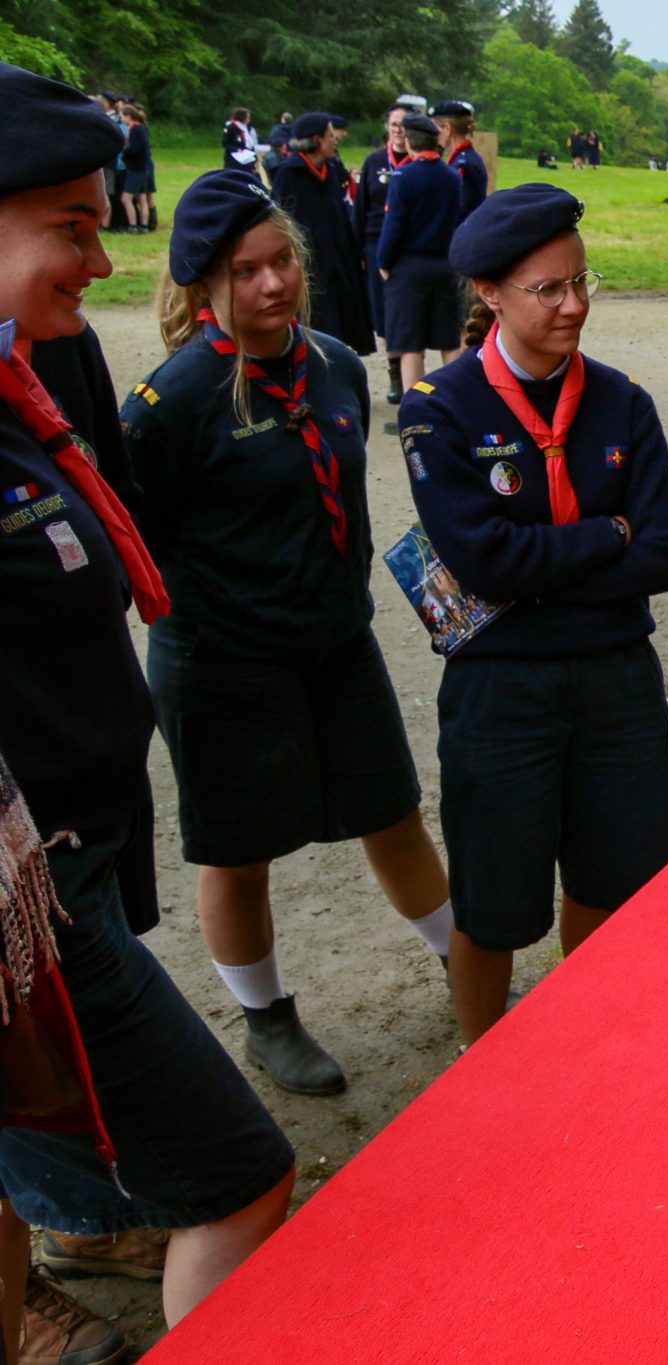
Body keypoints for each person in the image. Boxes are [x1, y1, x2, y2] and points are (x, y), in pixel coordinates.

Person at [0, 60, 295, 1348]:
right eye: (71, 227)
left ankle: (66, 1229)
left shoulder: (36, 364)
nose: (102, 263)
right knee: (239, 1177)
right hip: (29, 896)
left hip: (80, 831)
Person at [122, 169, 455, 1098]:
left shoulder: (337, 364)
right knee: (239, 851)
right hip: (224, 663)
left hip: (335, 641)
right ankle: (267, 1016)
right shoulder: (172, 405)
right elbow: (141, 554)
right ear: (203, 287)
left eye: (282, 264)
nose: (272, 285)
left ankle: (460, 956)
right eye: (246, 271)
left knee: (391, 811)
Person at [401, 184, 668, 1045]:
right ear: (489, 292)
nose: (575, 305)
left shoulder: (623, 403)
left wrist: (537, 567)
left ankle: (589, 1043)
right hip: (501, 688)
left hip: (615, 681)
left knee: (615, 881)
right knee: (494, 904)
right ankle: (478, 1066)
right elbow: (479, 561)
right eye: (548, 290)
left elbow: (662, 556)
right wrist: (607, 532)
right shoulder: (440, 410)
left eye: (580, 281)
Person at [377, 113, 465, 404]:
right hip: (445, 264)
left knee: (410, 344)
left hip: (409, 267)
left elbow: (394, 225)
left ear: (411, 142)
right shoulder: (452, 176)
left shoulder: (404, 177)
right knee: (449, 340)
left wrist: (383, 262)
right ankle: (457, 402)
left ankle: (416, 408)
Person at [271, 111, 376, 353]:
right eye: (330, 135)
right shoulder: (290, 174)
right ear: (317, 139)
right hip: (311, 267)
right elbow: (281, 221)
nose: (335, 139)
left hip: (339, 263)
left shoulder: (330, 170)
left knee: (340, 329)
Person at [356, 103, 417, 405]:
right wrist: (359, 250)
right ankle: (394, 374)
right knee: (382, 313)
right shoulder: (374, 161)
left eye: (404, 124)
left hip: (408, 248)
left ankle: (408, 374)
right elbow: (360, 207)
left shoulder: (418, 161)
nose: (398, 129)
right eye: (393, 123)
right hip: (374, 243)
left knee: (402, 312)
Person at [432, 100, 489, 223]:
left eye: (436, 130)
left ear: (447, 128)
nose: (434, 135)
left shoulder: (463, 164)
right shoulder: (465, 157)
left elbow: (463, 209)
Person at [117, 101, 154, 234]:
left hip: (136, 169)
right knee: (141, 198)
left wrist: (124, 154)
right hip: (143, 168)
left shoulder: (135, 129)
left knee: (126, 198)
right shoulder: (140, 128)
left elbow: (134, 148)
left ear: (128, 116)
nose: (121, 119)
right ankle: (143, 226)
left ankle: (133, 225)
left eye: (122, 116)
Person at [221, 105, 259, 172]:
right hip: (234, 160)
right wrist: (236, 149)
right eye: (248, 117)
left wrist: (255, 159)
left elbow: (250, 145)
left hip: (246, 159)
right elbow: (225, 143)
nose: (249, 119)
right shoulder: (231, 127)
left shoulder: (246, 128)